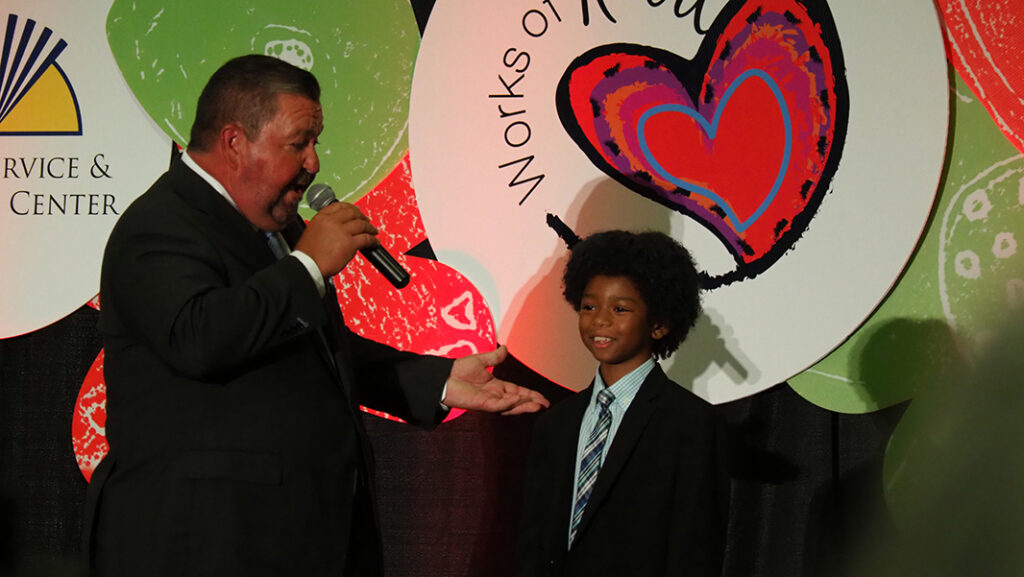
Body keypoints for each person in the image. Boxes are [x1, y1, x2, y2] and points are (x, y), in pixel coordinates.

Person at [81, 54, 547, 577]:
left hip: (299, 539)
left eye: (314, 143)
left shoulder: (275, 226)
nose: (314, 163)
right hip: (206, 544)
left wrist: (436, 380)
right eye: (298, 142)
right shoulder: (160, 225)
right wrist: (307, 268)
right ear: (235, 143)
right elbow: (200, 337)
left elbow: (316, 352)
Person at [516, 230, 729, 577]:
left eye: (620, 308)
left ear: (658, 324)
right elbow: (533, 542)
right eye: (589, 306)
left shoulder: (690, 424)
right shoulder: (555, 425)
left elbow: (695, 548)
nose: (600, 320)